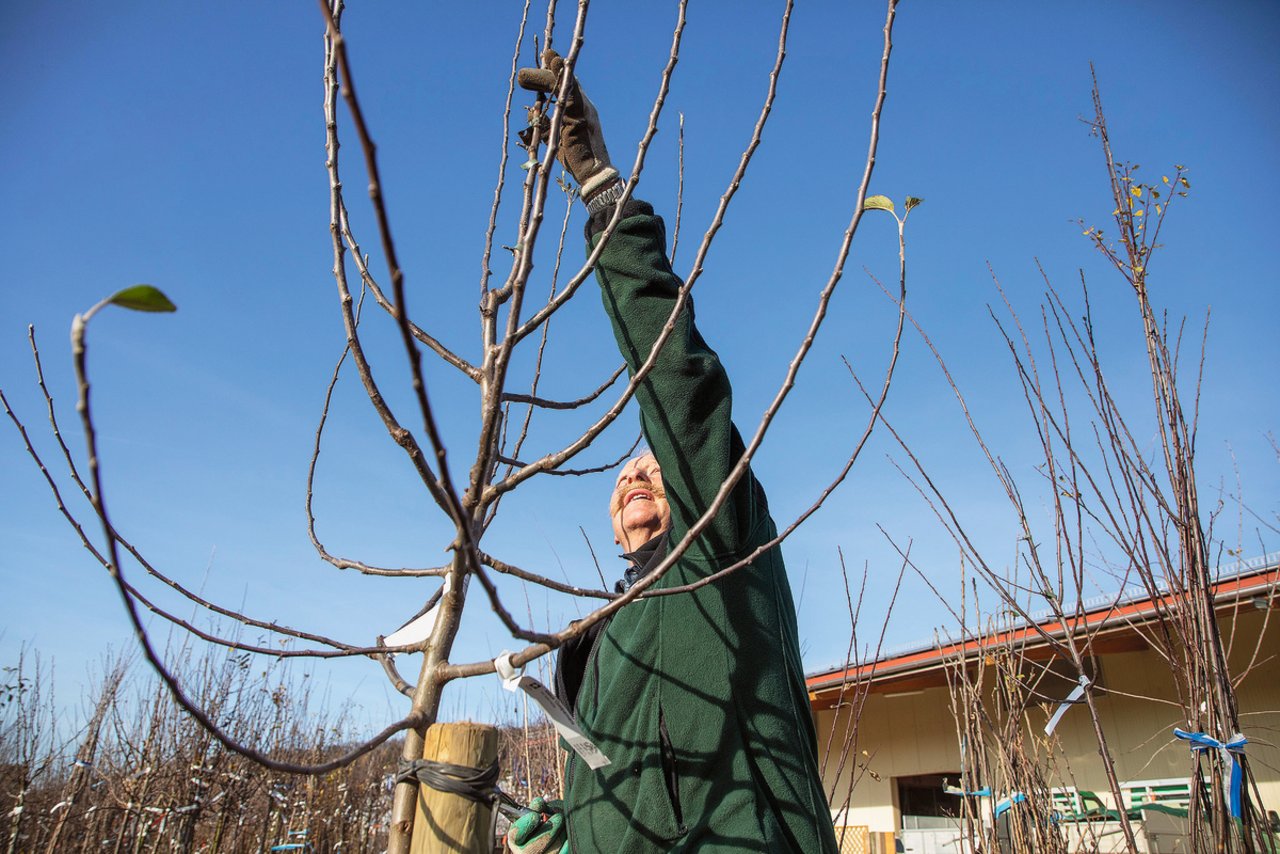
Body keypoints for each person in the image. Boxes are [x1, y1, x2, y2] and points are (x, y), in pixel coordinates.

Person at [506, 51, 839, 854]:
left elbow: (678, 387)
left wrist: (602, 196)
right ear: (615, 530)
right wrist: (572, 825)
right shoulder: (598, 643)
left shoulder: (721, 555)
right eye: (622, 475)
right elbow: (633, 780)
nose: (632, 472)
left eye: (651, 464)